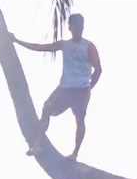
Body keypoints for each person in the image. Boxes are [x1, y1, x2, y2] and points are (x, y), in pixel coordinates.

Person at [14, 12, 102, 159]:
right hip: (65, 88)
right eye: (75, 28)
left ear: (83, 28)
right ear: (70, 28)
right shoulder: (64, 45)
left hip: (81, 90)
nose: (78, 31)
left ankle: (74, 154)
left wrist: (89, 87)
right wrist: (17, 41)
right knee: (47, 107)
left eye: (80, 28)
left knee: (79, 120)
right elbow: (41, 48)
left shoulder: (89, 46)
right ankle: (37, 144)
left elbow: (98, 69)